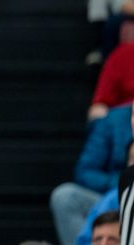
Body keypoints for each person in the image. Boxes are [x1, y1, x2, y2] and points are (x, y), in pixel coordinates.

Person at [51, 103, 134, 245]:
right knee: (65, 196)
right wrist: (118, 182)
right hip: (113, 192)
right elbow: (85, 170)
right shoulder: (113, 120)